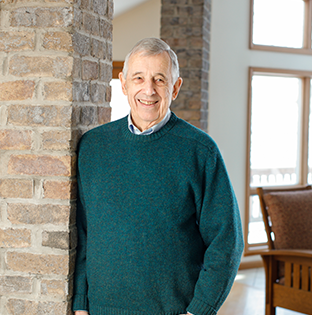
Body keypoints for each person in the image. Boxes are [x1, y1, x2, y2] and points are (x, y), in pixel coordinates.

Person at [73, 37, 244, 315]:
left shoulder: (200, 151)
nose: (148, 90)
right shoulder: (93, 147)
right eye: (138, 78)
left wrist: (198, 311)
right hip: (99, 310)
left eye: (160, 80)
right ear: (124, 83)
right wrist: (80, 303)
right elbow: (81, 232)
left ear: (175, 87)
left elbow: (227, 242)